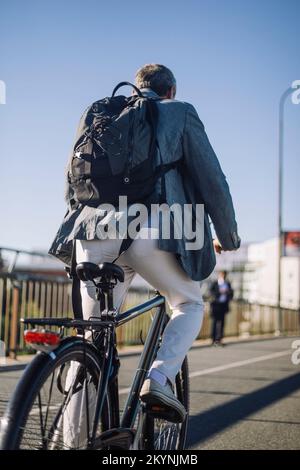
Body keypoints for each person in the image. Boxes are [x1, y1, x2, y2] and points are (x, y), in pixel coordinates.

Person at [49, 63, 240, 430]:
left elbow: (72, 178)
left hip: (93, 231)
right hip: (152, 230)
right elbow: (212, 181)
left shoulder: (98, 111)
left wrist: (75, 231)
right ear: (171, 91)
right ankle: (160, 378)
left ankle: (74, 441)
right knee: (187, 302)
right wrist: (227, 237)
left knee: (91, 337)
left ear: (137, 88)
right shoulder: (180, 112)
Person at [210, 270, 234, 346]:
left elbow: (231, 294)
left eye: (224, 275)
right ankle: (213, 340)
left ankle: (220, 339)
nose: (223, 276)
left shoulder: (228, 283)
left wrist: (227, 292)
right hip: (216, 306)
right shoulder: (215, 283)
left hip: (223, 306)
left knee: (222, 323)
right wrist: (220, 292)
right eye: (222, 274)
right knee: (214, 323)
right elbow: (211, 292)